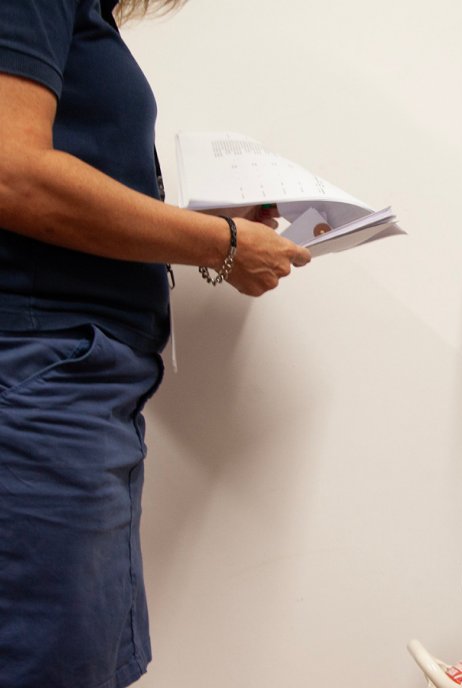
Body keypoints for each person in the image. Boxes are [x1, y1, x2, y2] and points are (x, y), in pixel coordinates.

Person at [0, 1, 311, 686]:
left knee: (86, 662)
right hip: (41, 381)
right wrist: (221, 242)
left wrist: (213, 232)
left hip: (82, 387)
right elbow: (12, 172)